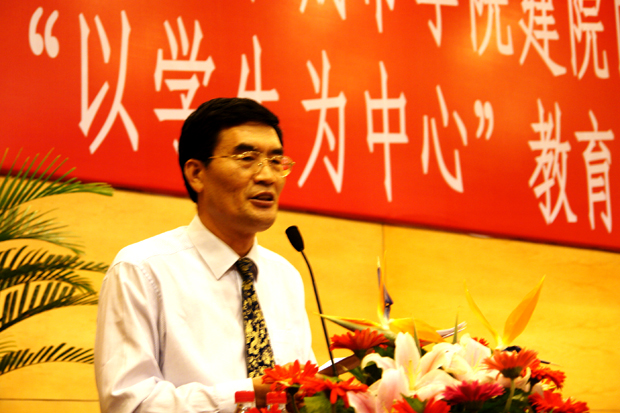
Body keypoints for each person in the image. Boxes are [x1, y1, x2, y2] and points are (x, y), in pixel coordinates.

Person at [94, 98, 316, 413]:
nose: (268, 176)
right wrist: (245, 395)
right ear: (197, 173)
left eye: (276, 160)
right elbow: (130, 403)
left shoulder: (285, 275)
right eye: (247, 158)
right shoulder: (142, 270)